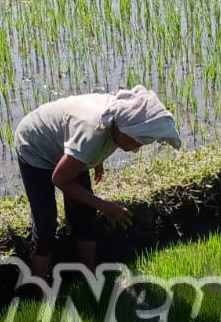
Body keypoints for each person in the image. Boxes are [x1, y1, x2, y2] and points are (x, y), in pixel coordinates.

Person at [13, 85, 182, 278]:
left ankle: (90, 276)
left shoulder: (117, 119)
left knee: (85, 213)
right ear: (119, 127)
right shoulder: (92, 134)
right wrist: (106, 206)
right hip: (35, 146)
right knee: (45, 226)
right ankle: (38, 290)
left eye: (142, 142)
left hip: (68, 145)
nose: (137, 146)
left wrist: (95, 160)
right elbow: (59, 179)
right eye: (135, 140)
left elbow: (89, 145)